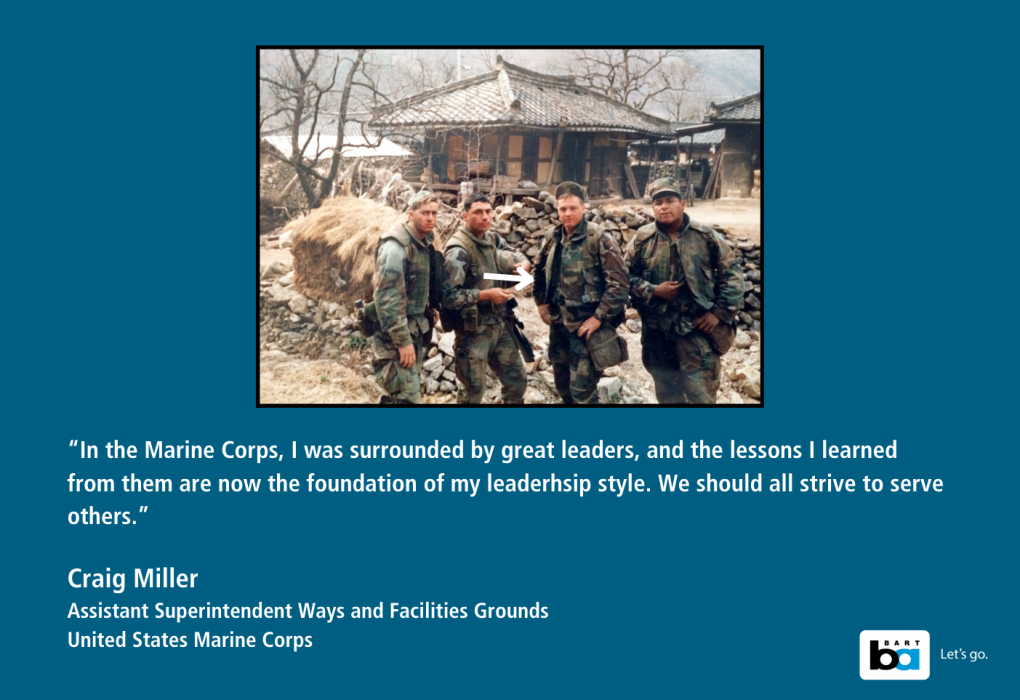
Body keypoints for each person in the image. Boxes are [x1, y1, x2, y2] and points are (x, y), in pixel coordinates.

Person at [624, 177, 745, 404]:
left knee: (702, 397)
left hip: (697, 333)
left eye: (670, 200)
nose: (664, 207)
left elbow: (733, 277)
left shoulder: (705, 236)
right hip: (657, 333)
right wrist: (652, 290)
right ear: (653, 207)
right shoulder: (642, 238)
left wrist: (718, 314)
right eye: (658, 202)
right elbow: (623, 278)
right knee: (668, 396)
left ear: (683, 204)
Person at [533, 182, 629, 404]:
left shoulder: (600, 238)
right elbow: (538, 270)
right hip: (558, 326)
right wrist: (540, 302)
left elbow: (620, 284)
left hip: (586, 329)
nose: (567, 214)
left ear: (583, 208)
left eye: (572, 208)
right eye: (562, 209)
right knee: (563, 386)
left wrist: (598, 318)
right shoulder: (552, 237)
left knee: (582, 393)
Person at [441, 193, 531, 404]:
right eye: (478, 212)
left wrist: (524, 264)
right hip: (473, 330)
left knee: (517, 381)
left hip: (501, 324)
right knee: (473, 391)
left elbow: (514, 254)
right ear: (465, 216)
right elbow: (447, 296)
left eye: (488, 212)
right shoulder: (458, 250)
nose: (485, 217)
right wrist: (485, 295)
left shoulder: (491, 238)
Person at [372, 190, 441, 404]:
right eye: (424, 213)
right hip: (396, 335)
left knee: (402, 395)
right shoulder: (396, 247)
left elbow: (418, 284)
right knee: (407, 397)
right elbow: (388, 299)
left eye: (434, 213)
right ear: (411, 214)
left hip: (414, 329)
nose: (430, 218)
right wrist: (403, 342)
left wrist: (430, 308)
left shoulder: (423, 243)